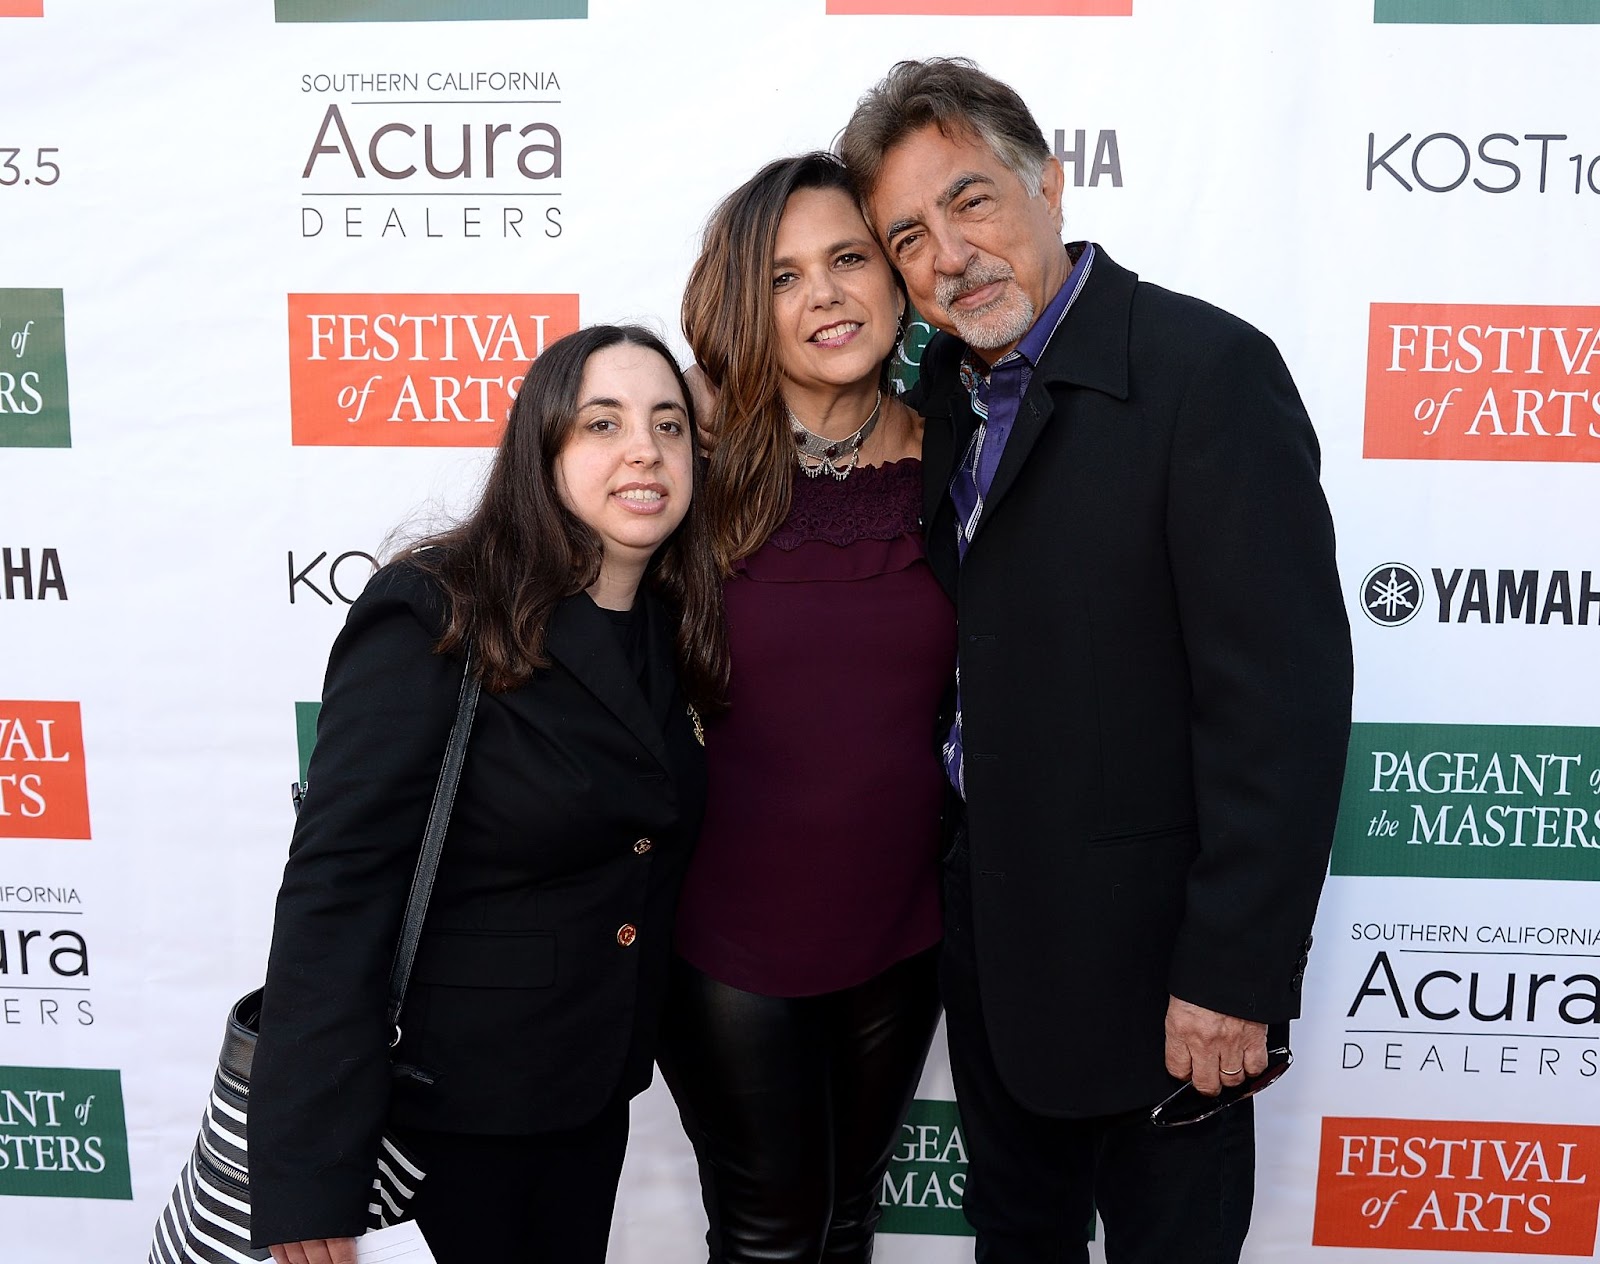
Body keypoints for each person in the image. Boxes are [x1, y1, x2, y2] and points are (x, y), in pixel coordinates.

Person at [838, 59, 1354, 1263]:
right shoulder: (943, 397)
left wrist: (1234, 973)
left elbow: (1280, 707)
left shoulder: (1203, 373)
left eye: (969, 202)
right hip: (995, 955)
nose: (948, 255)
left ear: (1050, 185)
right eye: (907, 236)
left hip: (1164, 979)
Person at [247, 325, 726, 1264]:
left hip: (590, 1096)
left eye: (670, 425)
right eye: (603, 423)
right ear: (540, 449)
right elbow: (336, 892)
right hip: (447, 1123)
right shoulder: (436, 611)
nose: (645, 450)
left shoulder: (676, 627)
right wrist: (309, 1179)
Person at [655, 152, 955, 1263]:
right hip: (727, 935)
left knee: (846, 1220)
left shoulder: (965, 455)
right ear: (743, 303)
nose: (825, 295)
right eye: (782, 278)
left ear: (894, 276)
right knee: (770, 1237)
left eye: (847, 259)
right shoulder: (683, 463)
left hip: (902, 927)